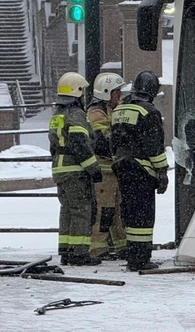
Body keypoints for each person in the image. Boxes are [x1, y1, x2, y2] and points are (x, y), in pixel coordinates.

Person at [112, 70, 169, 272]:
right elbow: (154, 146)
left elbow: (114, 142)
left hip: (122, 168)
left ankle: (133, 255)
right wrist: (162, 171)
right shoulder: (149, 111)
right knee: (143, 217)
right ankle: (141, 258)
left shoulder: (120, 109)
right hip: (141, 171)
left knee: (130, 213)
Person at [49, 72, 102, 266]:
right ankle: (80, 253)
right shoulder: (76, 115)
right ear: (77, 91)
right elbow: (80, 144)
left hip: (60, 170)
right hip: (75, 170)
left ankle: (66, 250)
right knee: (81, 210)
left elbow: (53, 146)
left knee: (67, 211)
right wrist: (93, 169)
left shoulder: (57, 115)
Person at [87, 72, 127, 260]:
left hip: (113, 171)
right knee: (104, 211)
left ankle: (121, 246)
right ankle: (97, 248)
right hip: (103, 172)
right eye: (116, 92)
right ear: (106, 92)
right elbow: (103, 141)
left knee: (118, 211)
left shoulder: (111, 110)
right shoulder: (96, 113)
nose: (120, 96)